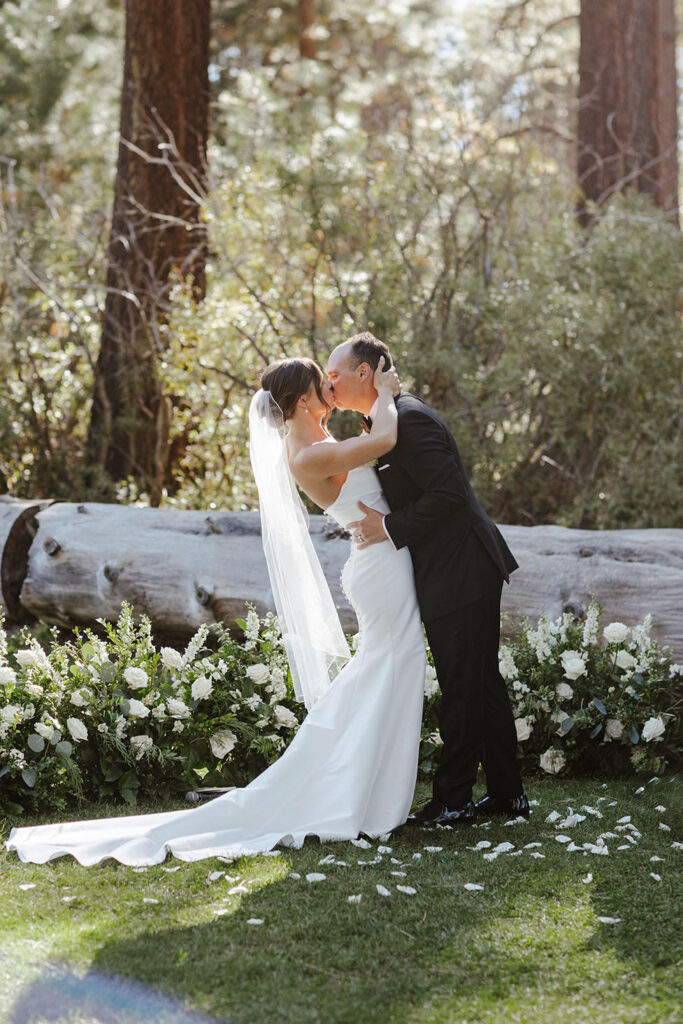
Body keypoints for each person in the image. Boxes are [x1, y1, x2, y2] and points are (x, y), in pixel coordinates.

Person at [6, 357, 428, 866]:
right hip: (379, 569)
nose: (332, 389)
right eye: (324, 384)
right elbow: (383, 441)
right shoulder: (307, 452)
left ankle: (366, 790)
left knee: (387, 667)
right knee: (388, 664)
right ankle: (354, 794)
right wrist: (385, 392)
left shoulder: (321, 441)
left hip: (383, 562)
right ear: (303, 400)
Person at [326, 332, 528, 825]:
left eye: (335, 374)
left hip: (462, 568)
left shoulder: (410, 420)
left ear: (365, 373)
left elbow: (451, 494)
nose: (329, 383)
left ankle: (454, 799)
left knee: (464, 684)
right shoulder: (390, 419)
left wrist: (388, 527)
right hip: (453, 568)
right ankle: (507, 795)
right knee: (480, 682)